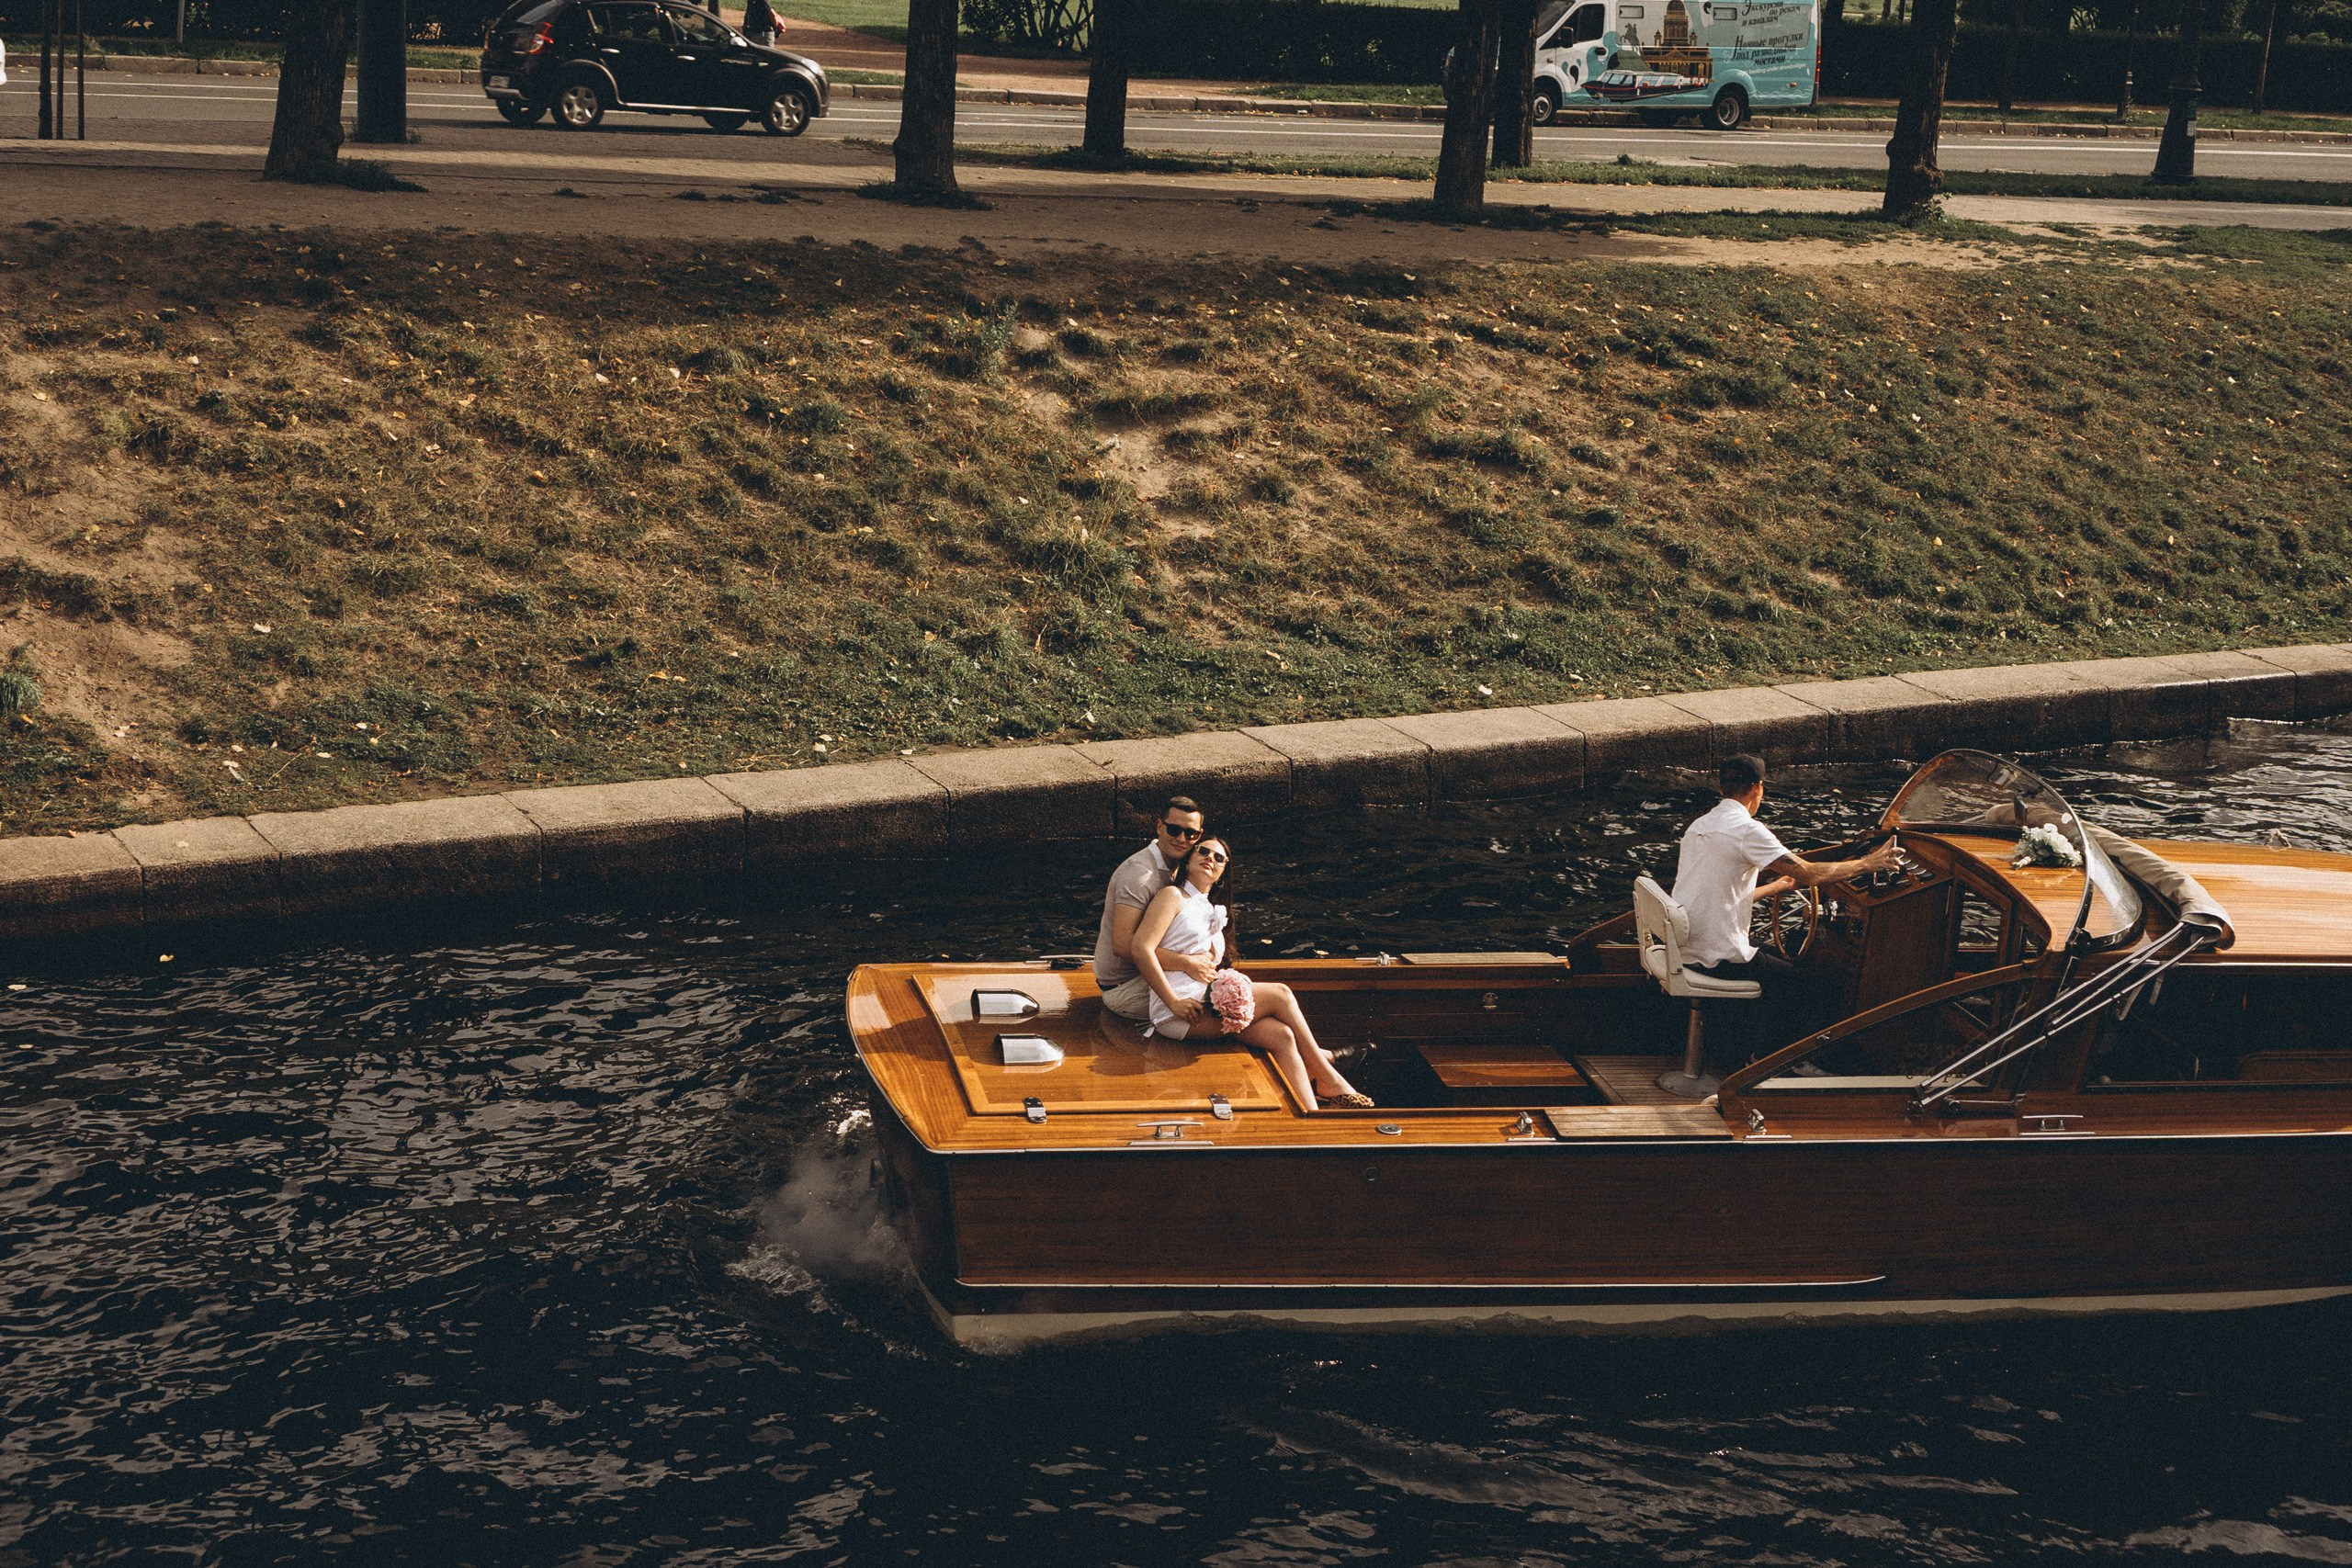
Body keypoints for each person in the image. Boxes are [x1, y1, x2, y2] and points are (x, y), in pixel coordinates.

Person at [1132, 837, 1374, 1111]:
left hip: (1203, 1002)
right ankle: (1327, 1075)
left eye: (1219, 857)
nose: (1210, 858)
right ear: (1188, 859)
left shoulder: (1211, 909)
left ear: (1223, 873)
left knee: (1282, 1035)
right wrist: (1172, 1001)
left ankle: (1311, 1114)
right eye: (1204, 851)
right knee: (1281, 994)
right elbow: (1140, 948)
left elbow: (1203, 963)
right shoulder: (1173, 896)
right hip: (1180, 1008)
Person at [1672, 754, 1900, 1039]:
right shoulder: (1746, 830)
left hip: (1687, 946)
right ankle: (1775, 1061)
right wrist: (1869, 864)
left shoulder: (1700, 826)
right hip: (1717, 957)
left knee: (1782, 962)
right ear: (1758, 788)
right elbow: (1811, 874)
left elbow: (1722, 896)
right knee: (1814, 989)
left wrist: (1778, 887)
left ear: (1721, 788)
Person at [1093, 795, 1217, 1022]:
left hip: (1152, 975)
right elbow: (1122, 945)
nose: (1181, 839)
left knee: (1233, 994)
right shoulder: (1140, 876)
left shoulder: (1181, 869)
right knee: (1228, 1006)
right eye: (1173, 830)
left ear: (1199, 837)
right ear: (1159, 827)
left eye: (1190, 834)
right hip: (1125, 987)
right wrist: (1187, 963)